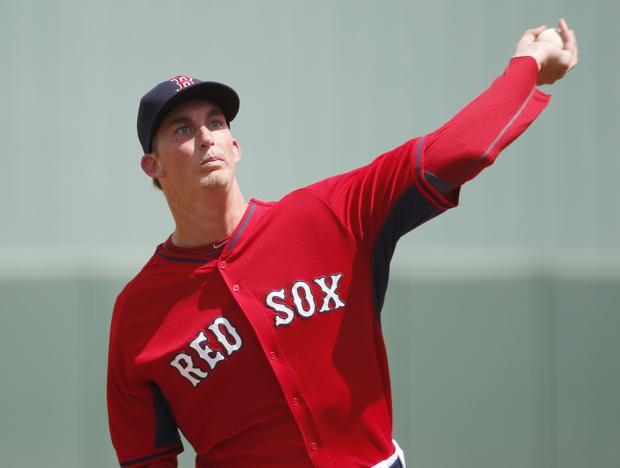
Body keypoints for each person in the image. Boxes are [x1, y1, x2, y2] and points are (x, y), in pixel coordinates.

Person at [107, 20, 578, 468]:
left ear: (236, 146)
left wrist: (528, 63)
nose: (206, 137)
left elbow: (461, 150)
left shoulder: (330, 214)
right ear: (153, 166)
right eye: (182, 129)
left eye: (216, 122)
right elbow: (147, 458)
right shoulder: (138, 314)